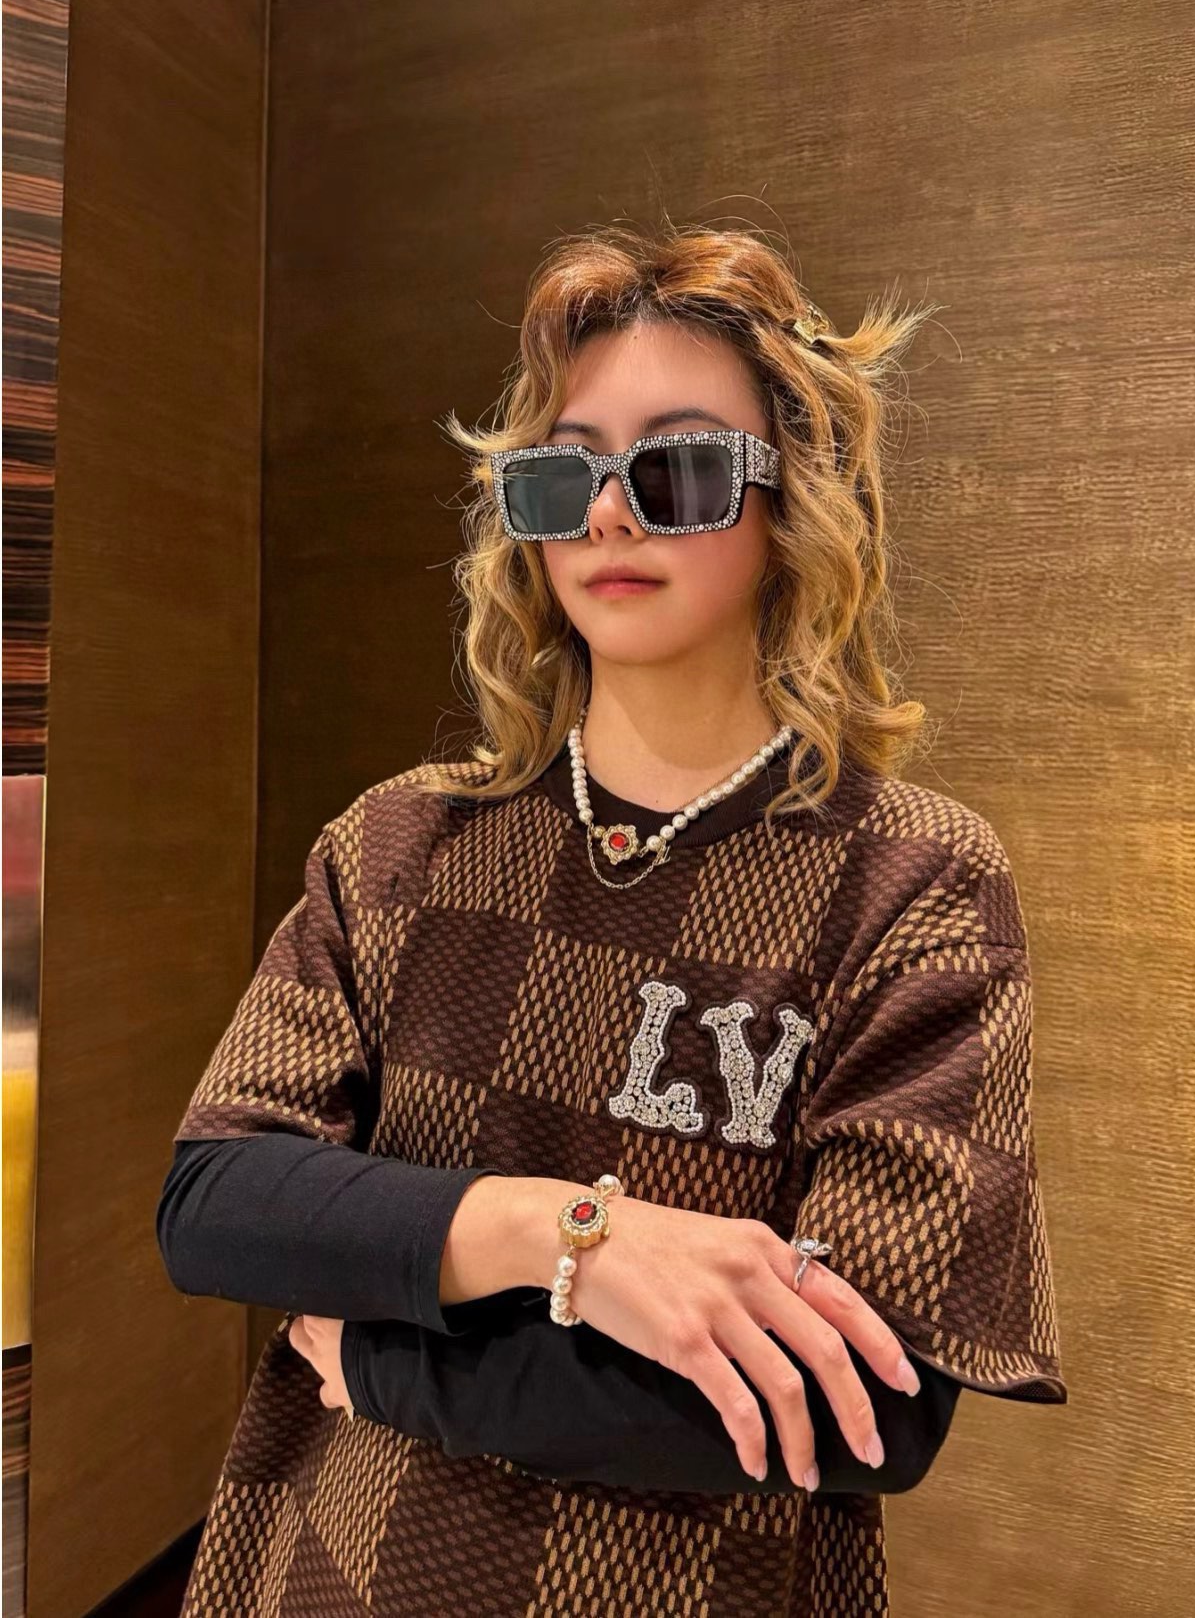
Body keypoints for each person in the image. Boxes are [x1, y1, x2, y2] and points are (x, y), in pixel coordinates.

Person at [157, 220, 1067, 1616]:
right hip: (335, 1568)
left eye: (679, 468)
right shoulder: (398, 843)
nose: (607, 517)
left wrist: (386, 1353)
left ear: (792, 498)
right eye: (563, 472)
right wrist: (576, 1234)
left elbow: (866, 1401)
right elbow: (219, 1202)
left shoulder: (914, 882)